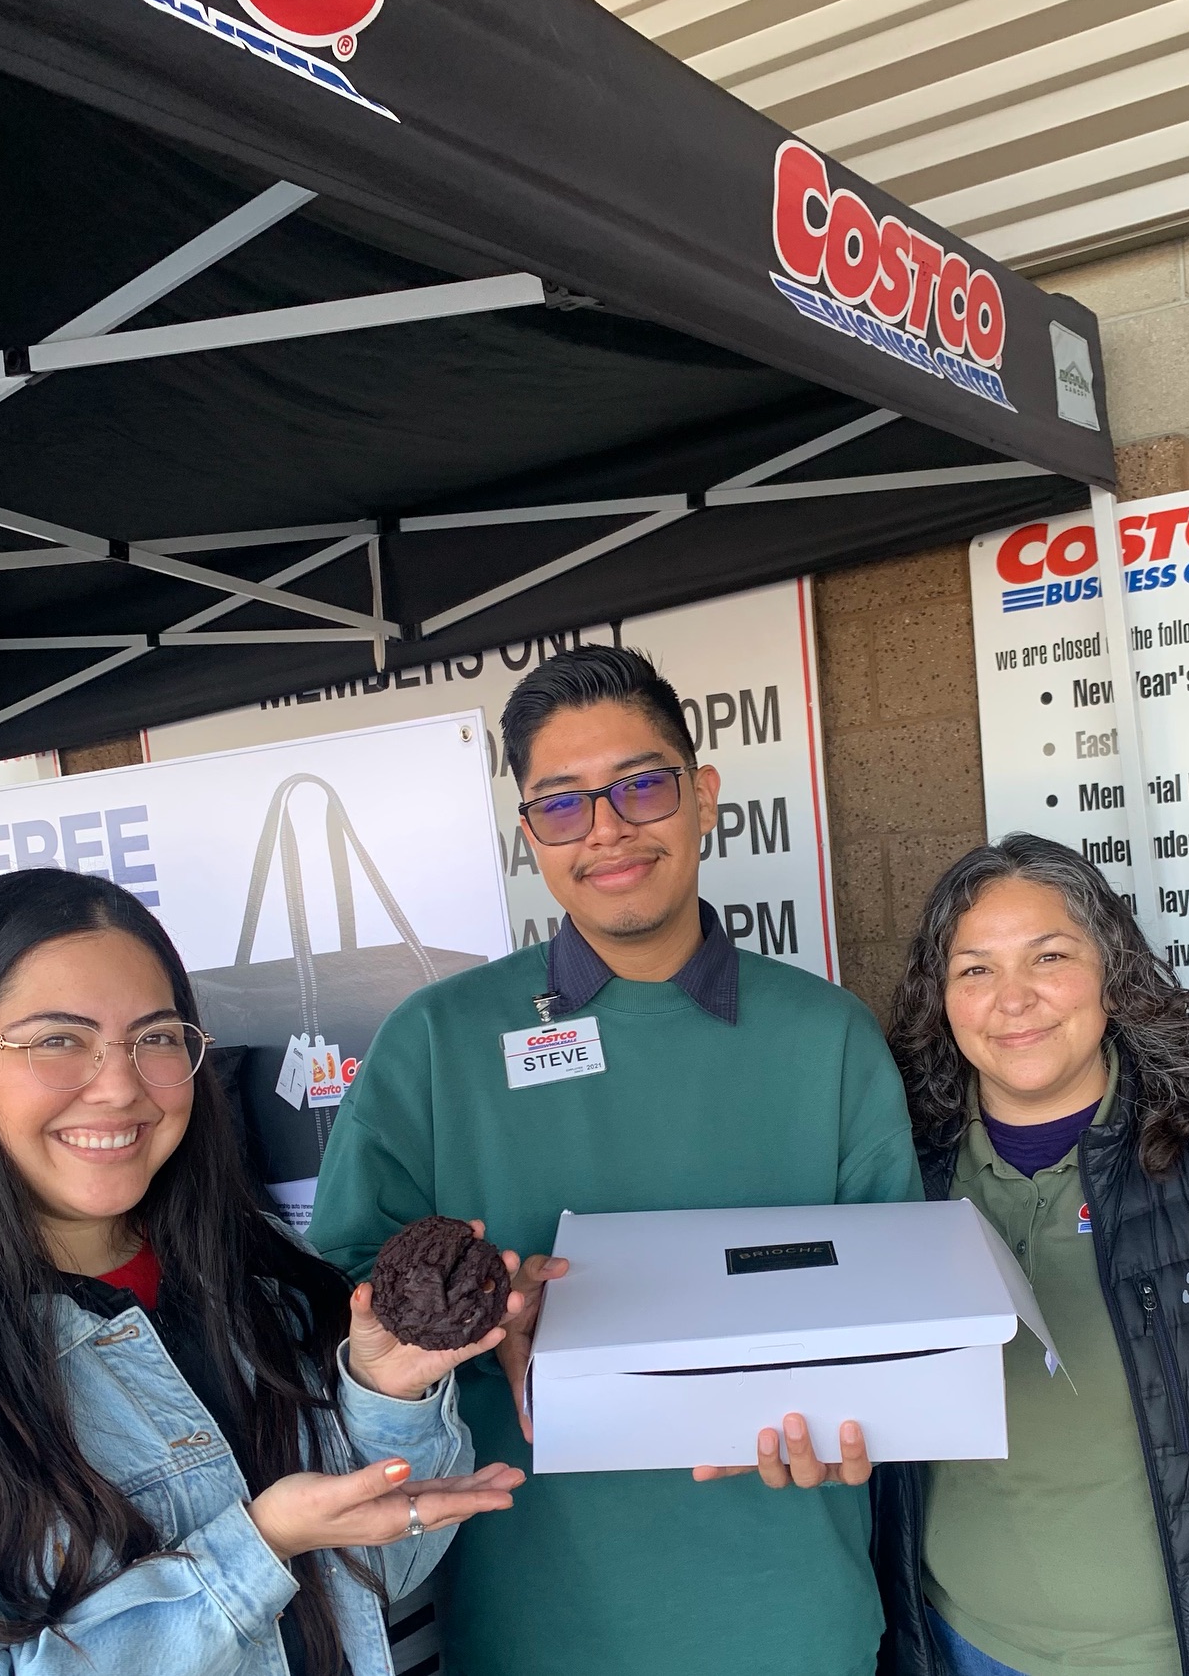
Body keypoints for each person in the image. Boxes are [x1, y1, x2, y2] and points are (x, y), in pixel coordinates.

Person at [307, 644, 920, 1676]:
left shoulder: (831, 1038)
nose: (609, 830)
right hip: (536, 1617)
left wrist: (879, 1403)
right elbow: (336, 1299)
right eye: (563, 804)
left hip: (791, 1613)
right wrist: (483, 1302)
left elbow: (902, 1306)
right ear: (529, 835)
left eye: (642, 786)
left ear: (704, 794)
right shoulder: (435, 1043)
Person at [0, 868, 525, 1676]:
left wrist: (388, 1392)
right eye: (58, 1039)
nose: (120, 1087)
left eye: (155, 1036)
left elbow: (378, 1574)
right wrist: (256, 1549)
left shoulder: (265, 1272)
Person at [874, 832, 1189, 1676]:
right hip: (959, 1647)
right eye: (975, 969)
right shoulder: (899, 1168)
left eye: (1049, 955)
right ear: (941, 998)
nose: (1014, 999)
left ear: (1113, 974)